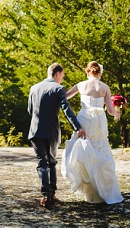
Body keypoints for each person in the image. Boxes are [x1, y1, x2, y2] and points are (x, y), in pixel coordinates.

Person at [61, 60, 123, 204]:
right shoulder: (105, 87)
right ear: (99, 73)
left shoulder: (80, 85)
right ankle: (103, 191)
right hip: (99, 121)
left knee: (84, 149)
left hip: (84, 119)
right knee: (100, 150)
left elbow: (64, 97)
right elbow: (109, 109)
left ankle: (89, 189)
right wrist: (117, 114)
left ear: (87, 71)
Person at [27, 62, 86, 207]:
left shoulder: (34, 88)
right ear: (57, 73)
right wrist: (77, 127)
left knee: (41, 163)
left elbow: (30, 110)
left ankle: (46, 195)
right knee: (51, 162)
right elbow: (67, 110)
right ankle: (51, 194)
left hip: (35, 131)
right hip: (51, 131)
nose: (62, 79)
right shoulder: (58, 88)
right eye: (62, 76)